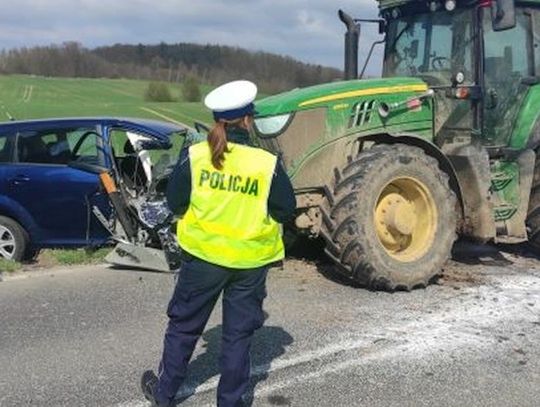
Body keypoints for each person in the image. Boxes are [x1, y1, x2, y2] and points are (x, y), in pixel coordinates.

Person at [141, 80, 296, 407]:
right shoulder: (266, 163)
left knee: (183, 328)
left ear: (217, 121)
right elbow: (285, 209)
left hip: (203, 258)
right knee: (238, 337)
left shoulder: (197, 156)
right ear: (248, 120)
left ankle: (165, 395)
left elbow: (175, 202)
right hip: (250, 262)